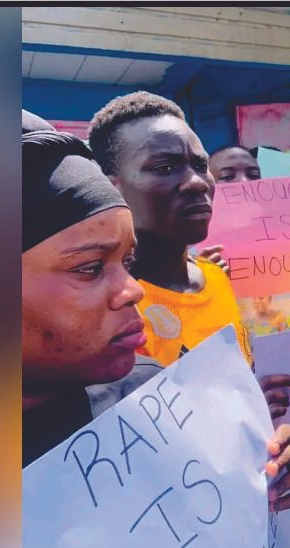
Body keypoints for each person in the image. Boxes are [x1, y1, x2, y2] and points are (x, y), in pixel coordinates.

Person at [21, 124, 290, 512]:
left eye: (127, 262)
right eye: (89, 268)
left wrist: (265, 465)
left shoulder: (150, 397)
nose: (132, 290)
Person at [88, 91, 253, 367]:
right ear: (110, 187)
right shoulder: (105, 305)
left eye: (200, 165)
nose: (197, 182)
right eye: (165, 168)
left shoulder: (216, 277)